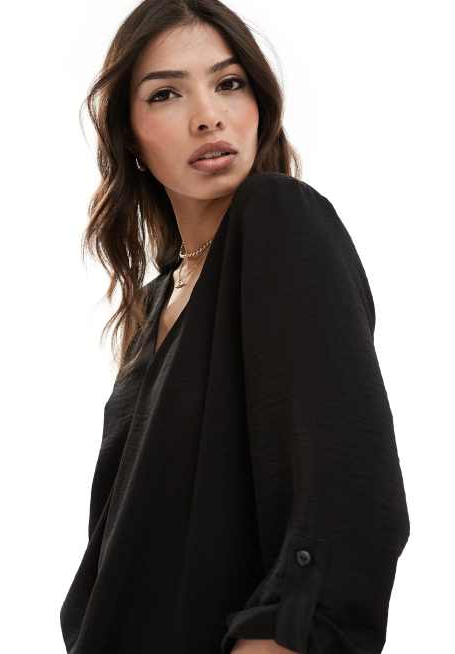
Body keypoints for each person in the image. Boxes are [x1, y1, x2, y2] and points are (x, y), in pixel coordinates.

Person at [60, 2, 410, 653]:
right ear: (130, 136)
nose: (207, 116)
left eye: (228, 83)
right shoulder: (154, 303)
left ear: (259, 103)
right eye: (166, 94)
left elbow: (350, 499)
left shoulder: (282, 219)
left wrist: (281, 636)